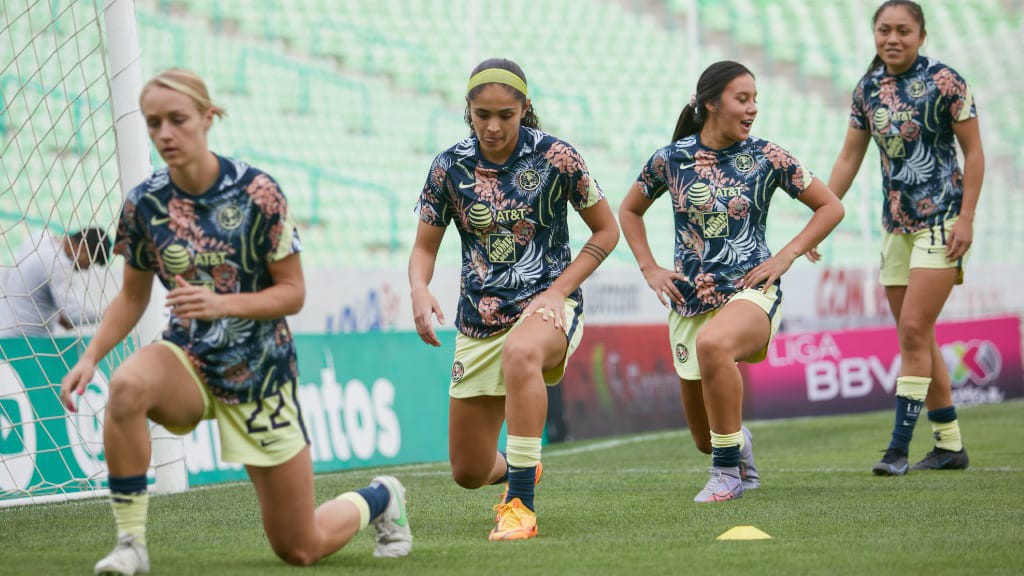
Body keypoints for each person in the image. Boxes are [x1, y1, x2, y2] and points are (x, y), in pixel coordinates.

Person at [59, 69, 411, 576]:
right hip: (187, 360)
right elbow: (132, 297)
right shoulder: (143, 203)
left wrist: (223, 304)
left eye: (177, 120)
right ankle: (130, 544)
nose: (164, 134)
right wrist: (90, 356)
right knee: (127, 385)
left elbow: (293, 293)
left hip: (261, 373)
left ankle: (381, 497)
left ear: (207, 117)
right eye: (154, 123)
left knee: (299, 547)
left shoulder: (259, 193)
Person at [409, 58, 619, 540]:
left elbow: (607, 231)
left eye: (505, 113)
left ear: (524, 108)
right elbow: (424, 247)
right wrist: (419, 289)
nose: (493, 125)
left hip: (548, 305)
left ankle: (521, 504)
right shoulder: (448, 167)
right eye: (482, 114)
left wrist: (558, 290)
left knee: (522, 351)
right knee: (467, 470)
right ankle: (517, 470)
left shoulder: (558, 158)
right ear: (468, 110)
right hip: (478, 318)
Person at [619, 61, 844, 503]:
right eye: (743, 99)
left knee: (716, 345)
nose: (753, 108)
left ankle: (725, 476)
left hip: (751, 292)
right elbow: (628, 211)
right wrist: (649, 267)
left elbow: (830, 207)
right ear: (710, 104)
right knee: (707, 436)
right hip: (688, 302)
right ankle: (733, 447)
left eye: (756, 99)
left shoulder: (768, 156)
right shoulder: (670, 159)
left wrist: (786, 255)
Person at [817, 0, 983, 476]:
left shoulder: (947, 82)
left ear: (921, 36)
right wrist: (820, 220)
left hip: (943, 224)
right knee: (917, 335)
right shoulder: (867, 89)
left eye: (903, 31)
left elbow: (974, 153)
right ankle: (949, 445)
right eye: (884, 30)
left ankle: (896, 450)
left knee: (912, 331)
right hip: (895, 230)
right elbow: (849, 159)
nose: (893, 38)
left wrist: (967, 218)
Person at [0, 227, 110, 338]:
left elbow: (25, 284)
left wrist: (56, 316)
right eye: (91, 261)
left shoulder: (40, 236)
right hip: (26, 342)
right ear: (83, 249)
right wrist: (106, 314)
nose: (87, 268)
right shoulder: (58, 263)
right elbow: (73, 313)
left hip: (4, 333)